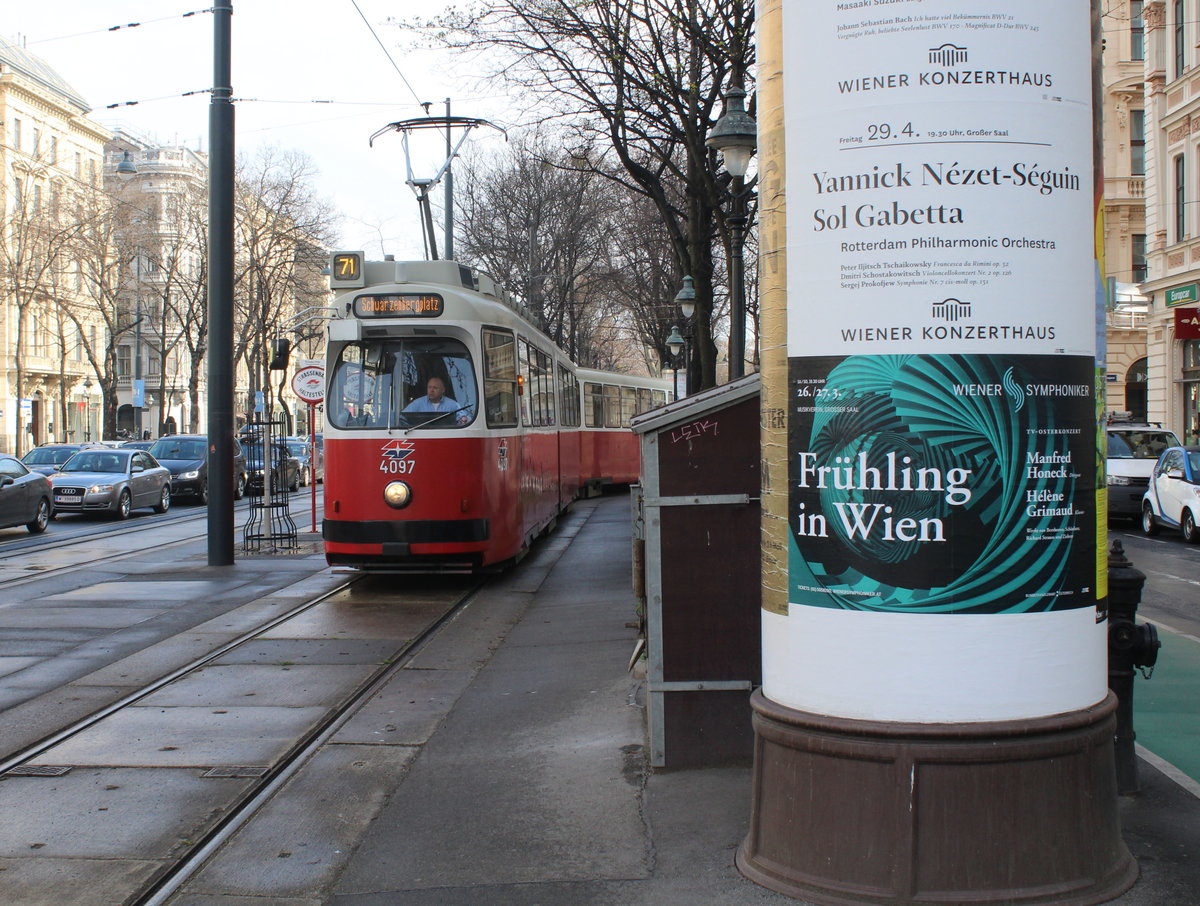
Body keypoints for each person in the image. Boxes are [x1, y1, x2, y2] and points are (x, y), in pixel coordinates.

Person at [403, 377, 470, 425]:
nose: (431, 390)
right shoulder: (417, 403)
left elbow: (464, 419)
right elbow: (402, 417)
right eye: (429, 387)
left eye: (435, 388)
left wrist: (464, 419)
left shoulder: (452, 405)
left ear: (443, 390)